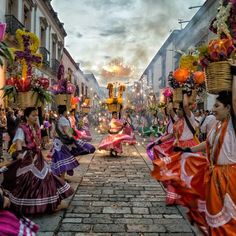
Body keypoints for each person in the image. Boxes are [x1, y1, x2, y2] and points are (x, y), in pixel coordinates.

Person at [173, 89, 236, 235]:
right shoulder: (217, 125)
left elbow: (234, 101)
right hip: (215, 174)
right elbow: (207, 144)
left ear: (228, 109)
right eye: (213, 106)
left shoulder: (233, 125)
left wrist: (234, 74)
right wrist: (189, 150)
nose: (213, 110)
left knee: (228, 218)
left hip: (229, 176)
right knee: (214, 211)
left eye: (217, 106)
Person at [2, 107, 74, 214]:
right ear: (26, 117)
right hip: (28, 158)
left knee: (46, 179)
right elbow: (19, 142)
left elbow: (37, 143)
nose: (35, 117)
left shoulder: (35, 127)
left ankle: (47, 203)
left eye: (36, 115)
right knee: (30, 180)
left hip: (38, 157)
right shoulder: (22, 128)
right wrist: (20, 153)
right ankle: (31, 205)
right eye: (33, 115)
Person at [152, 91, 199, 205]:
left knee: (186, 174)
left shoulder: (190, 118)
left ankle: (187, 196)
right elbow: (170, 111)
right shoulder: (178, 120)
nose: (177, 111)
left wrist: (184, 90)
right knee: (175, 173)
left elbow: (186, 105)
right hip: (178, 147)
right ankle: (176, 197)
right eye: (177, 109)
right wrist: (169, 98)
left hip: (188, 147)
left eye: (179, 109)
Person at [50, 105, 95, 178]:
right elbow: (67, 131)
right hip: (62, 143)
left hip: (57, 142)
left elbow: (53, 133)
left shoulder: (58, 119)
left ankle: (60, 178)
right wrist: (72, 138)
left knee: (59, 160)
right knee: (64, 160)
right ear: (65, 111)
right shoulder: (63, 120)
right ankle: (62, 179)